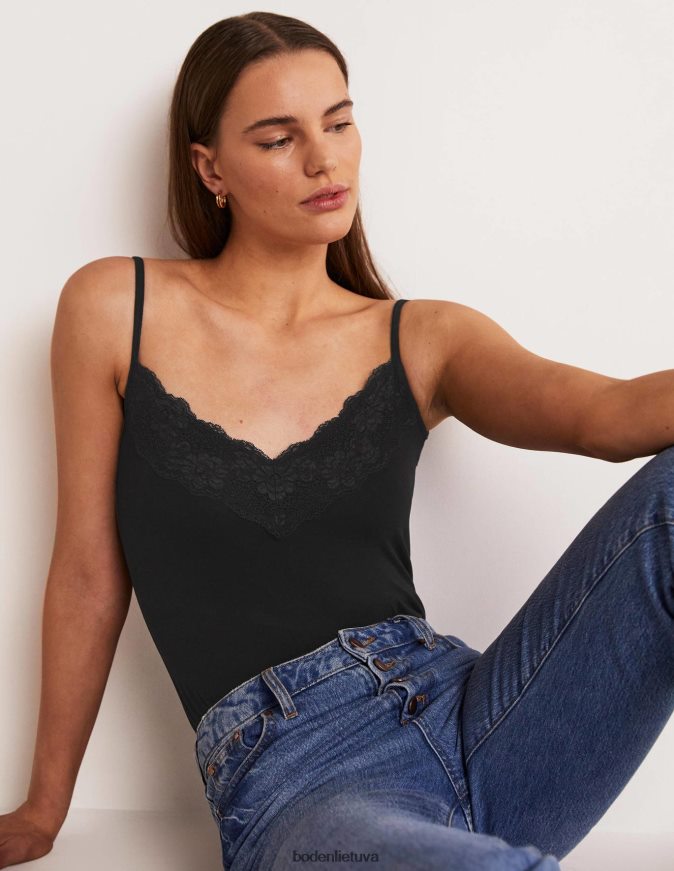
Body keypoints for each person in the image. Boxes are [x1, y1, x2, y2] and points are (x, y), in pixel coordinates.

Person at [1, 11, 673, 871]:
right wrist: (44, 808)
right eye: (279, 139)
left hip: (489, 720)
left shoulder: (423, 338)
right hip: (301, 777)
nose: (325, 161)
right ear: (210, 168)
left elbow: (610, 415)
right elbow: (88, 573)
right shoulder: (114, 308)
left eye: (340, 122)